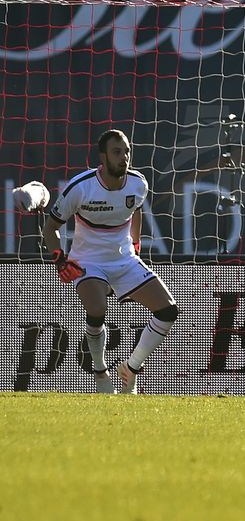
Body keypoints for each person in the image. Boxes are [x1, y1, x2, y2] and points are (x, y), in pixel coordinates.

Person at [41, 130, 179, 394]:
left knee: (169, 311)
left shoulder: (138, 183)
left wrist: (135, 243)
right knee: (97, 308)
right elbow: (50, 228)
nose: (124, 157)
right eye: (117, 152)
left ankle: (131, 368)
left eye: (127, 151)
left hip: (124, 260)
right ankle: (100, 371)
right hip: (88, 262)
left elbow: (135, 209)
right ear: (102, 157)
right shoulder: (80, 187)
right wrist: (60, 259)